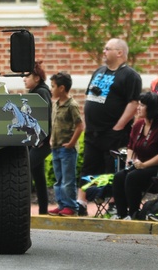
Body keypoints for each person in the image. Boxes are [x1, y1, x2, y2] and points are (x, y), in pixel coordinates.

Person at [81, 38, 142, 180]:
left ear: (119, 52)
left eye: (107, 49)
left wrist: (118, 127)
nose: (104, 51)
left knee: (112, 169)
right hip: (92, 131)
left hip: (113, 133)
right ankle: (82, 200)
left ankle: (113, 199)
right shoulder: (98, 71)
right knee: (88, 167)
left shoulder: (130, 76)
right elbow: (89, 97)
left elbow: (133, 103)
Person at [111, 91, 158, 220]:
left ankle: (134, 214)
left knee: (132, 177)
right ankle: (121, 214)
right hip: (139, 165)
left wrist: (144, 165)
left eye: (142, 105)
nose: (138, 108)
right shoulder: (139, 124)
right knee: (119, 176)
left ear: (151, 108)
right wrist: (129, 159)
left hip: (157, 168)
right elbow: (130, 146)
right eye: (138, 104)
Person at [47, 71, 86, 217]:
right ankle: (62, 204)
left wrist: (71, 143)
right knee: (59, 180)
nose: (51, 89)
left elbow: (80, 126)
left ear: (62, 88)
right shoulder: (56, 104)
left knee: (67, 180)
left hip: (67, 149)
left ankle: (71, 206)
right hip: (56, 147)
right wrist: (51, 139)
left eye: (53, 86)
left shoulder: (72, 105)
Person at [22, 62, 52, 216]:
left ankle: (23, 210)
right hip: (37, 142)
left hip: (40, 143)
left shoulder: (41, 92)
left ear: (37, 77)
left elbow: (44, 116)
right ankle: (43, 211)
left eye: (27, 76)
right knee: (39, 177)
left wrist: (40, 139)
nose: (24, 79)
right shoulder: (38, 91)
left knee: (24, 172)